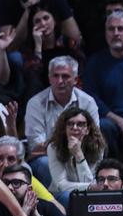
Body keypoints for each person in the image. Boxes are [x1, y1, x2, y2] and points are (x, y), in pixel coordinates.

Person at [24, 56, 100, 186]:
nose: (60, 81)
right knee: (43, 163)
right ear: (49, 78)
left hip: (82, 153)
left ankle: (86, 193)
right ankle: (56, 200)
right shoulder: (36, 103)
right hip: (48, 158)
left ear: (75, 79)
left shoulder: (88, 102)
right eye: (55, 76)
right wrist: (66, 147)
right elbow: (35, 146)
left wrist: (73, 149)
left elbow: (93, 137)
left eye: (65, 76)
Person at [85, 12, 123, 158]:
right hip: (111, 120)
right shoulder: (95, 62)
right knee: (102, 125)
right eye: (111, 29)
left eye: (121, 29)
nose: (116, 33)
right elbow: (91, 98)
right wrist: (119, 121)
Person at [47, 107, 107, 206]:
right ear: (64, 129)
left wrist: (79, 155)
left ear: (87, 130)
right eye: (70, 124)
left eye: (80, 124)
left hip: (87, 194)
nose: (74, 127)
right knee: (67, 196)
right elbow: (61, 185)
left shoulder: (98, 147)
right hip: (60, 195)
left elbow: (89, 182)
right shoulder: (54, 147)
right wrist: (90, 187)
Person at [0, 162, 66, 216]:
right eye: (5, 183)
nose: (9, 187)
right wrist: (23, 212)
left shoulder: (47, 207)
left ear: (29, 189)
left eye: (16, 183)